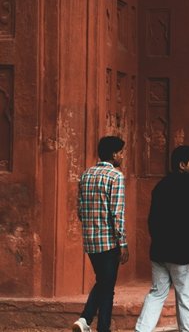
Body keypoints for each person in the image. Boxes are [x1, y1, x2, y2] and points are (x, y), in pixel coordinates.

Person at [135, 145, 189, 332]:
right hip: (182, 255)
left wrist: (159, 242)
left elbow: (152, 220)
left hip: (160, 252)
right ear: (182, 165)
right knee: (185, 297)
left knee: (157, 294)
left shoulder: (161, 186)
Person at [73, 136, 129, 332]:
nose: (122, 156)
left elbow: (81, 211)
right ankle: (91, 322)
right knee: (107, 285)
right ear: (114, 154)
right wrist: (123, 243)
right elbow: (117, 213)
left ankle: (87, 321)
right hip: (109, 242)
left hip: (90, 241)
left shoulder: (86, 175)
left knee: (104, 282)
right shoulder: (116, 176)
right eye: (121, 152)